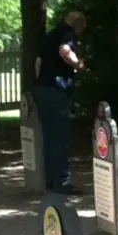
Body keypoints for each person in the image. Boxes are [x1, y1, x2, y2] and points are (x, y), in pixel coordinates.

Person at [33, 11, 86, 195]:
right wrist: (78, 64)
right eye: (82, 28)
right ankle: (62, 181)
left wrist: (41, 82)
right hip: (57, 90)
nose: (81, 32)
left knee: (48, 136)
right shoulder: (67, 32)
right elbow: (64, 50)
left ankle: (50, 179)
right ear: (78, 24)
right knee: (60, 137)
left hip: (42, 89)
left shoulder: (49, 35)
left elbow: (37, 64)